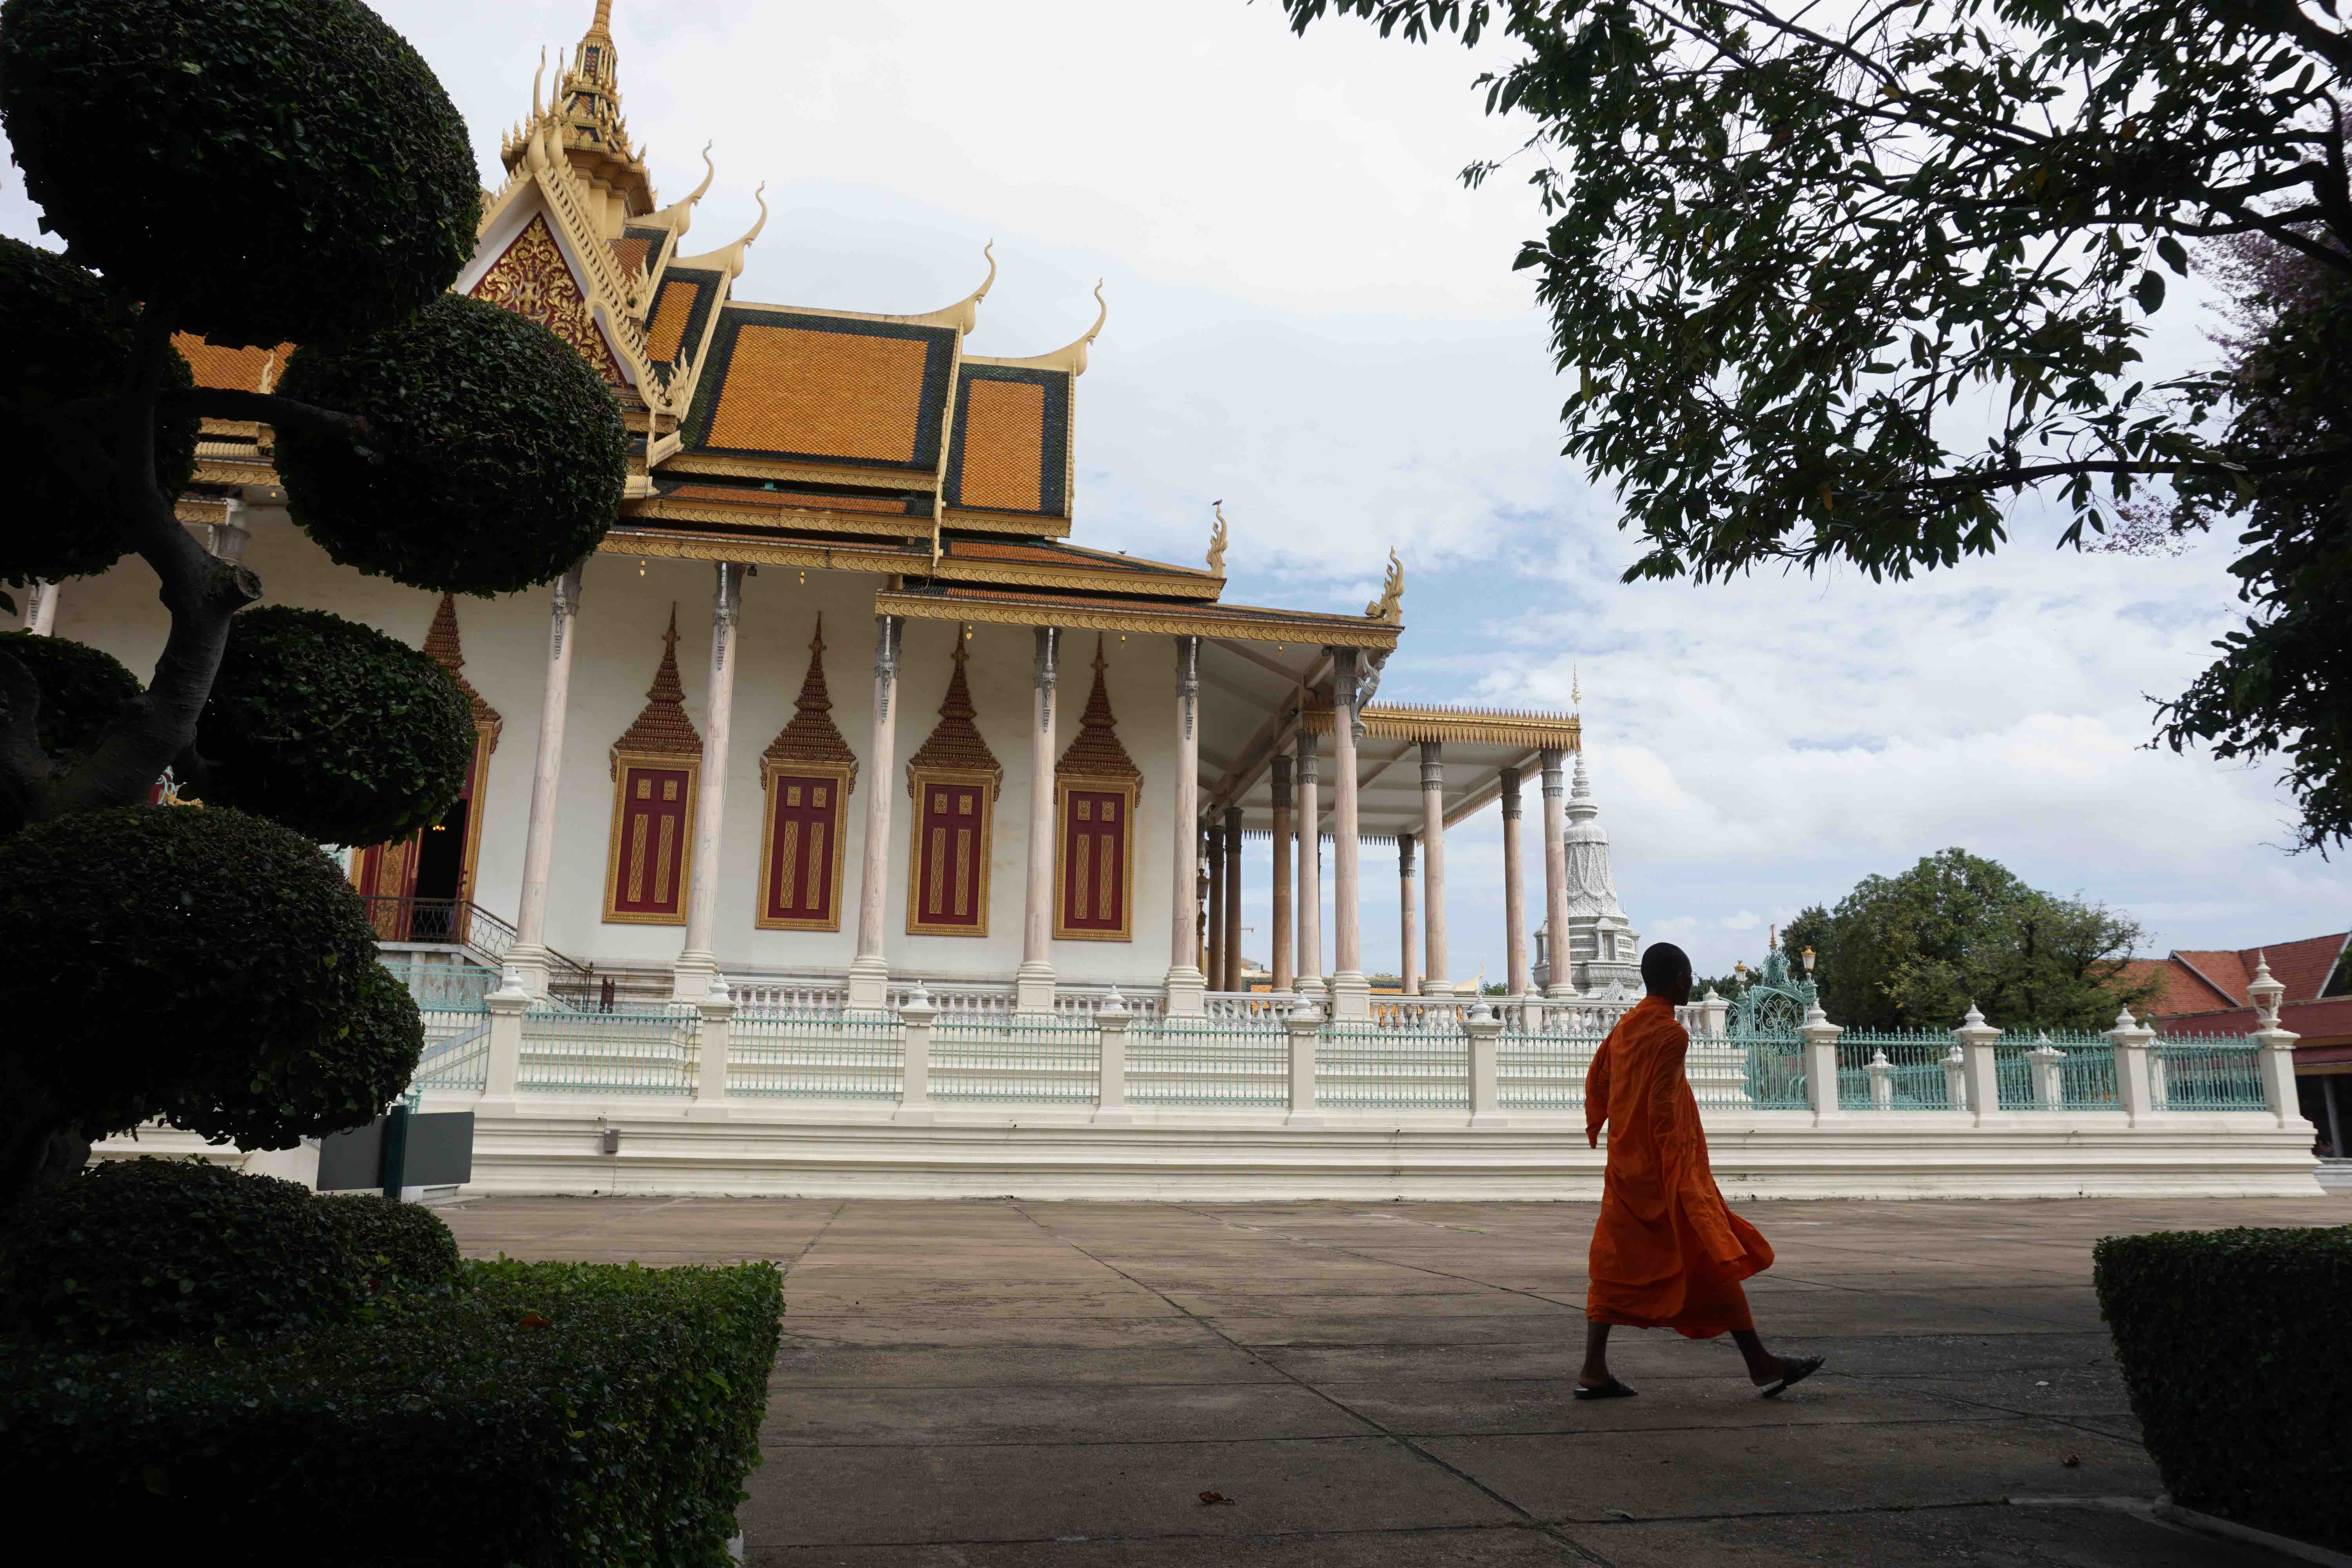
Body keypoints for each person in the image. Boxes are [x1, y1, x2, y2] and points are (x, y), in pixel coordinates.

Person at [1575, 941, 1824, 1400]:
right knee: (1712, 1257)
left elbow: (1599, 1079)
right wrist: (1679, 1170)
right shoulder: (1672, 1034)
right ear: (1677, 980)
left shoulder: (1627, 1026)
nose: (1690, 981)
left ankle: (1594, 1369)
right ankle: (1761, 1364)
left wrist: (1606, 1127)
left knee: (1613, 1265)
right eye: (1687, 974)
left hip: (1627, 1166)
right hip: (1665, 1168)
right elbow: (1662, 1105)